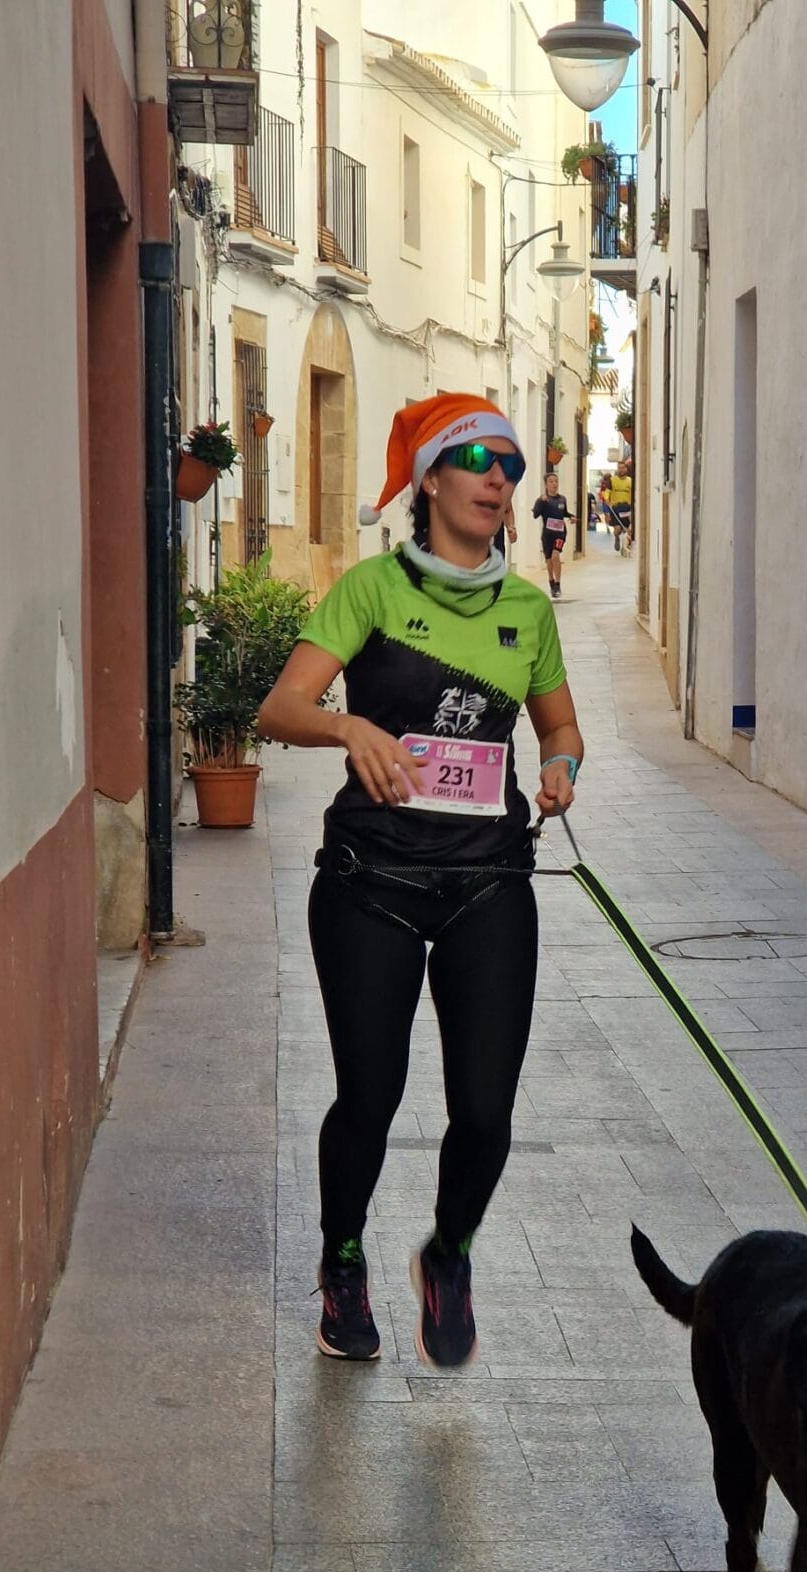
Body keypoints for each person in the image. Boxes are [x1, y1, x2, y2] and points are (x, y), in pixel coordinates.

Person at [256, 394, 584, 1369]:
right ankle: (343, 1259)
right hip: (372, 878)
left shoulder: (526, 609)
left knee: (485, 1110)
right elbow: (280, 707)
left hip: (488, 879)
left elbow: (560, 724)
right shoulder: (370, 590)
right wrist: (347, 726)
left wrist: (562, 765)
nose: (499, 479)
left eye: (512, 467)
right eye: (479, 460)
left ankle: (449, 1252)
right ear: (430, 478)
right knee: (371, 1094)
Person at [531, 472, 574, 600]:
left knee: (556, 556)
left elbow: (564, 513)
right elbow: (535, 514)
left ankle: (558, 584)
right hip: (547, 534)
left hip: (560, 533)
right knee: (549, 559)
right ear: (546, 484)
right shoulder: (542, 499)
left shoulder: (562, 499)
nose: (554, 484)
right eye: (551, 481)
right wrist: (541, 502)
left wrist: (571, 517)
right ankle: (551, 582)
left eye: (556, 481)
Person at [607, 462, 632, 553]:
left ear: (626, 469)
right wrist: (606, 499)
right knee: (617, 529)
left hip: (627, 508)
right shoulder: (612, 480)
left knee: (628, 530)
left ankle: (626, 547)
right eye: (619, 468)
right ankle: (617, 537)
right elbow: (607, 491)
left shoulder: (630, 481)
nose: (621, 470)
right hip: (615, 508)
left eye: (622, 468)